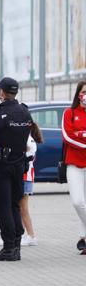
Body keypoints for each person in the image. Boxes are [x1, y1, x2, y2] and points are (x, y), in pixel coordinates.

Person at [0, 77, 33, 261]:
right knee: (15, 205)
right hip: (19, 165)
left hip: (1, 167)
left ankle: (9, 248)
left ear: (2, 92)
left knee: (3, 207)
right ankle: (16, 246)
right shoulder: (25, 112)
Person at [0, 123, 43, 248]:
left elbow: (23, 157)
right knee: (15, 207)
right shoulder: (24, 137)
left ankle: (30, 236)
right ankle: (12, 234)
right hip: (21, 176)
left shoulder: (28, 140)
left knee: (21, 208)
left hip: (25, 177)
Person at [62, 80, 86, 254]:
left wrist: (81, 134)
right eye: (83, 91)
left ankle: (83, 237)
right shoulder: (69, 113)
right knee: (78, 201)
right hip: (74, 164)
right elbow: (68, 137)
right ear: (78, 93)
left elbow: (76, 135)